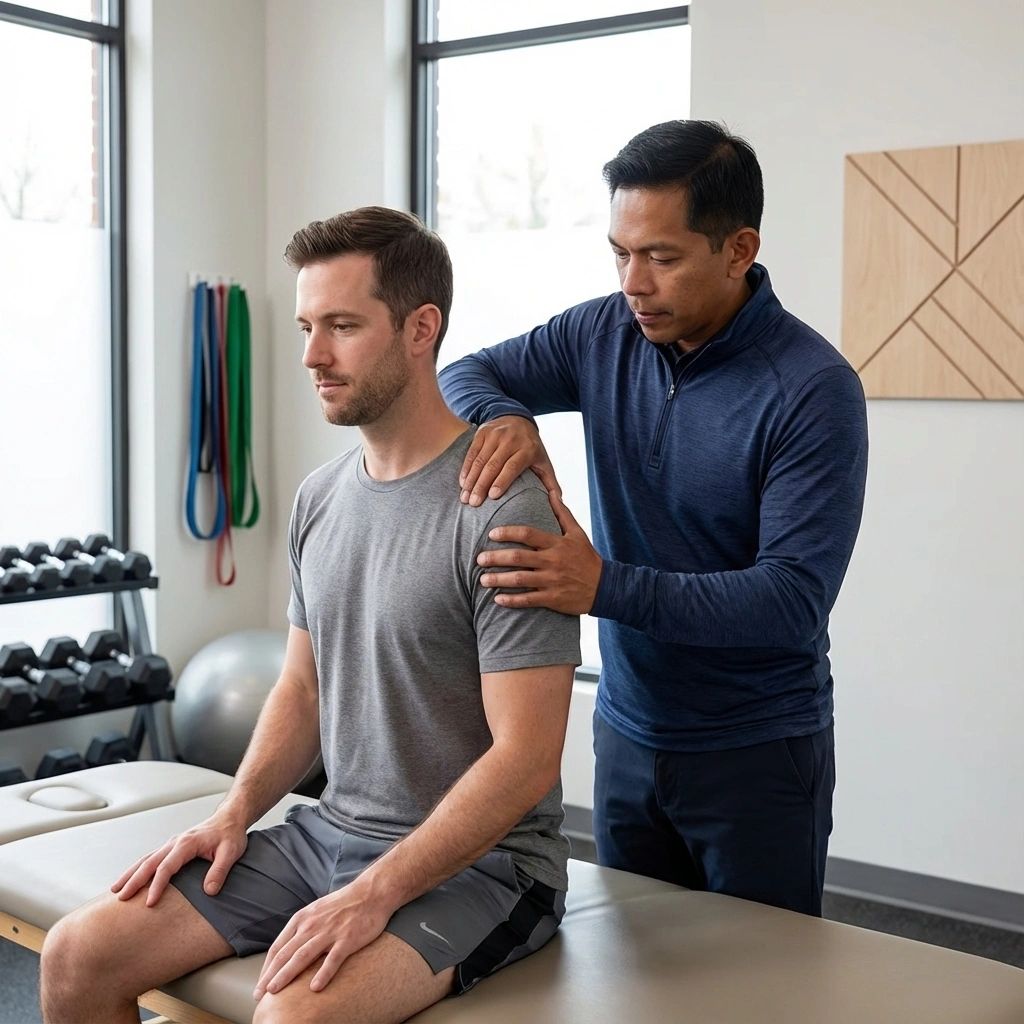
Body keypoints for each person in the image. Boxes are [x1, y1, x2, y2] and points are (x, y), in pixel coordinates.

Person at [40, 207, 580, 1024]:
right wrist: (232, 815)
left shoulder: (502, 508)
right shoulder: (320, 498)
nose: (312, 357)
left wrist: (375, 894)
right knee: (76, 956)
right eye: (305, 327)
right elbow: (302, 686)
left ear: (420, 329)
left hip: (490, 867)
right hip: (329, 832)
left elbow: (527, 760)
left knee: (295, 1016)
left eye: (341, 326)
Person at [438, 119, 868, 917]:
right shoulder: (605, 330)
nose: (633, 282)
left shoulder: (812, 389)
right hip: (628, 736)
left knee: (757, 991)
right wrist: (507, 418)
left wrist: (601, 586)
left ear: (738, 251)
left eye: (661, 257)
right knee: (634, 979)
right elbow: (468, 370)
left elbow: (791, 599)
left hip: (758, 753)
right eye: (620, 253)